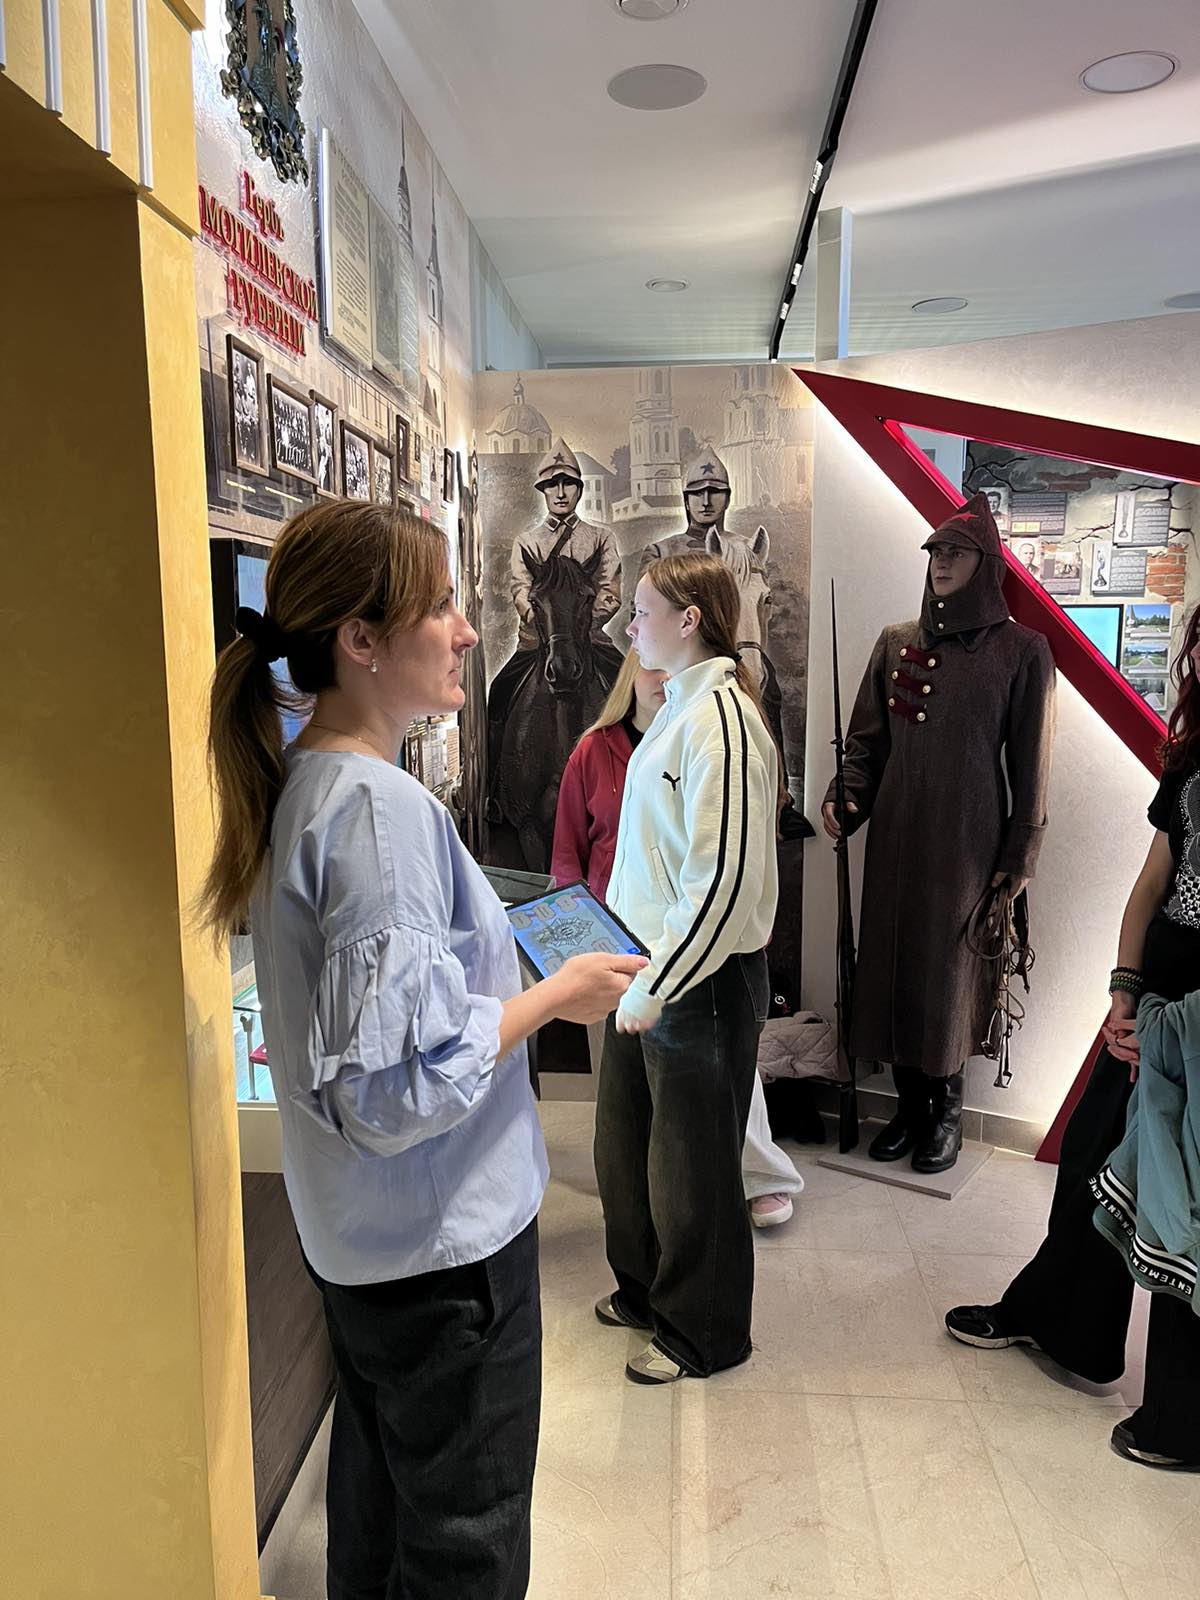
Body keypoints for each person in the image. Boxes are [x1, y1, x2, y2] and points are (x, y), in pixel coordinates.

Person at [200, 501, 646, 1600]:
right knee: (462, 1551)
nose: (466, 629)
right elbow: (395, 1092)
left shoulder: (313, 785)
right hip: (443, 1267)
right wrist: (554, 997)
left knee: (380, 1524)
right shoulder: (376, 811)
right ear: (361, 640)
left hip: (370, 1250)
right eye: (440, 605)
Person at [946, 604, 1200, 1471]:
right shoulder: (1194, 754)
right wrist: (1126, 990)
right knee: (1096, 1159)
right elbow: (1153, 882)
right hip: (1155, 1003)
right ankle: (1063, 1326)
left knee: (1186, 1200)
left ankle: (1183, 1416)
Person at [822, 493, 1056, 1173]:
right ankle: (908, 1107)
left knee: (950, 974)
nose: (941, 562)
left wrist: (1020, 854)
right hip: (895, 839)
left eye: (955, 552)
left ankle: (946, 1112)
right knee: (894, 963)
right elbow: (866, 744)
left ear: (986, 564)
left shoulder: (1022, 652)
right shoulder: (896, 641)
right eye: (935, 552)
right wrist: (845, 797)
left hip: (967, 845)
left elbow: (1031, 766)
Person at [593, 553, 780, 1384]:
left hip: (696, 982)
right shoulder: (675, 712)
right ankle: (644, 1291)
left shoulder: (724, 724)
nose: (629, 627)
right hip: (644, 968)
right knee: (627, 1149)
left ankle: (702, 1331)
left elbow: (723, 884)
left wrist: (657, 985)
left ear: (689, 619)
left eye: (641, 611)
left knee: (692, 1166)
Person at [551, 646, 805, 1227]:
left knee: (709, 1108)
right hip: (613, 937)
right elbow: (568, 851)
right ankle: (647, 1207)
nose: (663, 677)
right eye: (649, 664)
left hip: (690, 942)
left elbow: (727, 863)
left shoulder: (714, 732)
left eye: (673, 666)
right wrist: (575, 932)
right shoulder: (594, 750)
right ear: (628, 670)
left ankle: (757, 1175)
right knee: (629, 1108)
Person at [510, 437, 622, 645]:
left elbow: (609, 593)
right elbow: (521, 592)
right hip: (537, 640)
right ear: (544, 491)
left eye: (568, 484)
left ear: (579, 490)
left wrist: (579, 625)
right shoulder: (526, 543)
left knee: (619, 667)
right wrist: (548, 625)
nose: (560, 493)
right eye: (552, 485)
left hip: (589, 637)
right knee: (514, 669)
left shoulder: (601, 538)